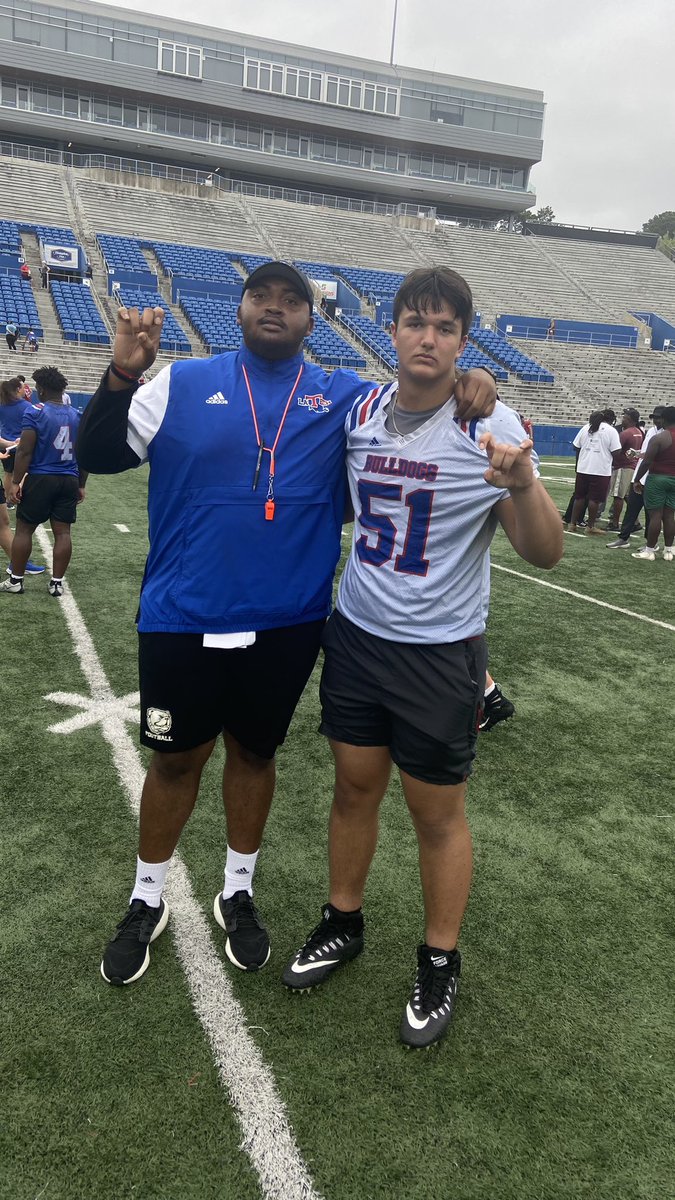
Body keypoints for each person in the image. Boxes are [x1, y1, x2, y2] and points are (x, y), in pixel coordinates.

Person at [74, 261, 498, 988]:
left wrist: (473, 386)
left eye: (292, 300)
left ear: (313, 319)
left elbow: (420, 397)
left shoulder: (344, 397)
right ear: (237, 311)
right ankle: (146, 899)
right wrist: (119, 373)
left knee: (255, 753)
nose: (275, 308)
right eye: (260, 296)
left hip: (288, 621)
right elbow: (97, 454)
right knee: (175, 760)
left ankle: (237, 889)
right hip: (182, 613)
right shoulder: (180, 380)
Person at [281, 267, 563, 1049]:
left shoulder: (488, 424)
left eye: (443, 328)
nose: (427, 338)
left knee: (436, 815)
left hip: (439, 654)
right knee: (352, 790)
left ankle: (439, 959)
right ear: (391, 330)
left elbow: (544, 553)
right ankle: (343, 920)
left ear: (463, 341)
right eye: (415, 323)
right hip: (358, 637)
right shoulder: (362, 409)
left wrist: (526, 483)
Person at [0, 366, 86, 598]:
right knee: (63, 532)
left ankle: (16, 580)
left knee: (25, 529)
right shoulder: (77, 416)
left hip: (40, 478)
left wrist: (16, 482)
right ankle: (57, 583)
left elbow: (25, 452)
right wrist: (81, 484)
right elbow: (85, 455)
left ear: (42, 390)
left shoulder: (36, 412)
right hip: (68, 478)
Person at [0, 376, 45, 575]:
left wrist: (7, 444)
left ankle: (19, 563)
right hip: (14, 450)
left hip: (11, 449)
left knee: (3, 523)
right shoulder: (24, 407)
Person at [607, 407, 666, 549]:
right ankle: (623, 538)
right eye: (654, 417)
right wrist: (637, 454)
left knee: (650, 512)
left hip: (652, 477)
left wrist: (642, 455)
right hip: (640, 474)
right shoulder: (650, 431)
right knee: (632, 509)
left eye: (659, 417)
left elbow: (656, 455)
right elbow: (647, 453)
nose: (656, 420)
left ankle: (651, 543)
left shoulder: (665, 435)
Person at [631, 406, 675, 561]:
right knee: (670, 515)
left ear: (664, 419)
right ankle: (669, 550)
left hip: (658, 478)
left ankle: (649, 550)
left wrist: (637, 479)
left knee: (655, 515)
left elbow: (647, 461)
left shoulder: (659, 438)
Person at [568, 411, 621, 534]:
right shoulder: (611, 431)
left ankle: (572, 523)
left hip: (583, 467)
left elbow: (576, 446)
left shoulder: (586, 427)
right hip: (600, 470)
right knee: (594, 499)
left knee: (579, 497)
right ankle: (590, 526)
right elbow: (616, 451)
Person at [606, 408, 643, 530]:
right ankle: (635, 521)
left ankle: (615, 523)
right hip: (632, 466)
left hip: (623, 466)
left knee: (618, 496)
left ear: (630, 419)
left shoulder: (625, 433)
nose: (623, 419)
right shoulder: (638, 431)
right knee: (627, 496)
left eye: (625, 417)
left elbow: (616, 449)